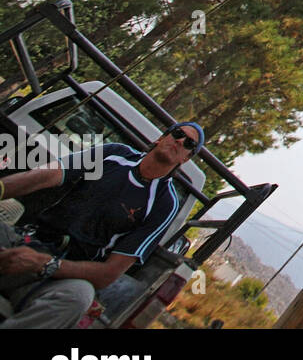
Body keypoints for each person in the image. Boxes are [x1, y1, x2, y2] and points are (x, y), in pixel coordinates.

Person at [0, 121, 202, 328]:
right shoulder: (114, 154)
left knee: (79, 297)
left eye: (189, 144)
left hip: (62, 276)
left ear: (186, 158)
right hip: (27, 240)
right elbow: (47, 175)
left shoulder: (165, 204)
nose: (180, 141)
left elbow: (109, 273)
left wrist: (44, 264)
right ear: (161, 138)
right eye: (177, 133)